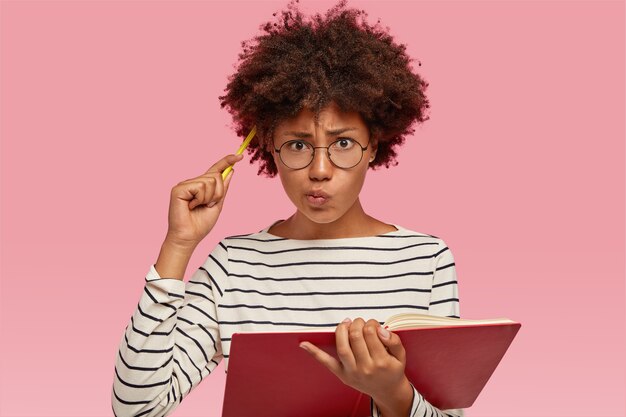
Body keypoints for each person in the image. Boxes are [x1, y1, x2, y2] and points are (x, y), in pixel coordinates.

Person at [111, 1, 463, 416]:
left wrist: (393, 394)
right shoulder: (234, 265)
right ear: (270, 151)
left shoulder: (425, 259)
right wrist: (178, 245)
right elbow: (136, 407)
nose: (319, 170)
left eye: (343, 144)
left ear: (374, 147)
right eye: (297, 145)